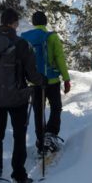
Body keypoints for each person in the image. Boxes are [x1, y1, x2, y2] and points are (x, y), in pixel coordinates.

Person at [0, 8, 46, 183]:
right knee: (19, 136)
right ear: (14, 23)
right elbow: (32, 74)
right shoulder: (22, 44)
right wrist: (41, 81)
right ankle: (19, 177)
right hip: (18, 99)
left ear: (1, 22)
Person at [21, 11, 71, 154]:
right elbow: (60, 58)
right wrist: (66, 79)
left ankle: (40, 139)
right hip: (52, 80)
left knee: (38, 110)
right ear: (46, 22)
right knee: (56, 107)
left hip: (35, 81)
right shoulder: (52, 37)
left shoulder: (25, 38)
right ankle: (50, 134)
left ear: (33, 22)